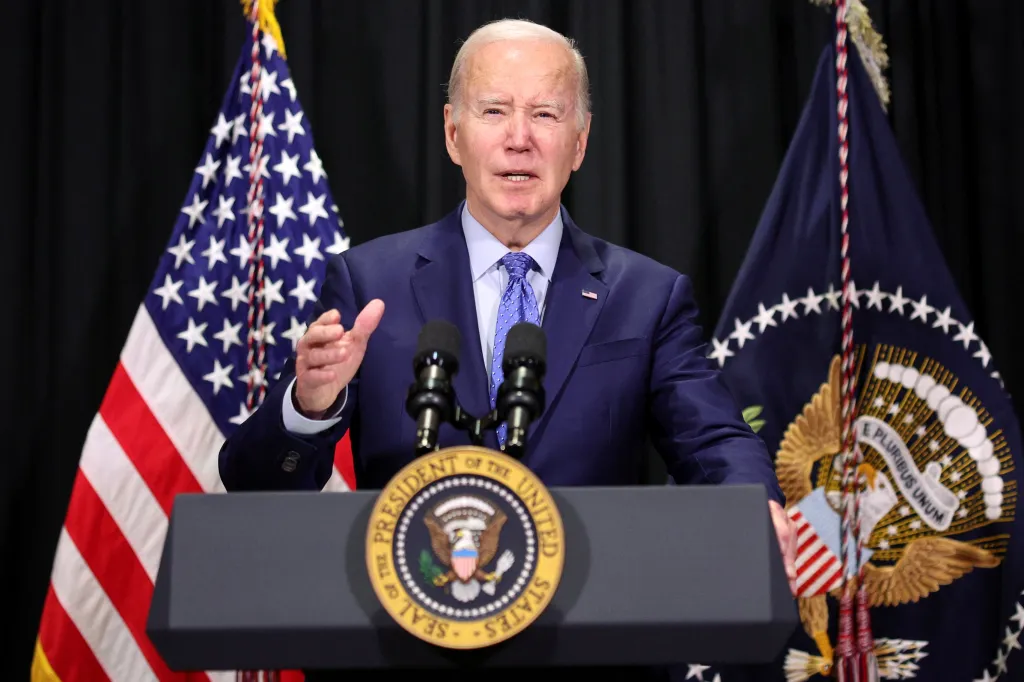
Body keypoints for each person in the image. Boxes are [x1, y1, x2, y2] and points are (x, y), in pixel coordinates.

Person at [218, 17, 795, 680]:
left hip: (588, 654)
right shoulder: (368, 281)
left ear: (578, 143)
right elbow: (256, 479)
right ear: (452, 133)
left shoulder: (647, 296)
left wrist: (755, 503)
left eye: (545, 114)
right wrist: (309, 403)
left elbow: (715, 440)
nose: (519, 138)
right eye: (494, 110)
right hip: (403, 651)